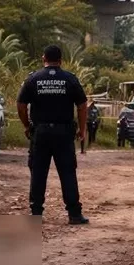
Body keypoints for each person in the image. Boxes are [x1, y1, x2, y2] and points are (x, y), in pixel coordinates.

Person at [17, 45, 89, 225]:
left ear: (43, 59)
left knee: (38, 173)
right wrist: (82, 129)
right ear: (61, 60)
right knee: (67, 173)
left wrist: (27, 125)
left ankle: (36, 214)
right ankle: (74, 214)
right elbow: (82, 105)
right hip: (64, 134)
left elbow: (20, 104)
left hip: (40, 133)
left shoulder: (33, 79)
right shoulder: (70, 79)